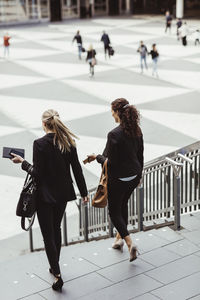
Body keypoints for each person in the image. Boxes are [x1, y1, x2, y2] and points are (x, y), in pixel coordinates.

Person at [11, 109, 88, 292]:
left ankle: (58, 274)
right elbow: (77, 169)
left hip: (45, 197)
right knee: (56, 229)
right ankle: (55, 266)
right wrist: (84, 192)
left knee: (48, 235)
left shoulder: (39, 144)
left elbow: (37, 174)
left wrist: (23, 162)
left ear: (44, 124)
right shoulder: (68, 142)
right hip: (62, 194)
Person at [86, 98, 144, 262]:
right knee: (123, 205)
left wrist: (97, 157)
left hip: (119, 179)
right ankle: (118, 239)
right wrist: (139, 176)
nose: (111, 114)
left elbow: (111, 162)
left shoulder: (114, 134)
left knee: (113, 211)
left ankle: (129, 243)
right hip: (133, 176)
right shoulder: (137, 130)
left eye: (112, 111)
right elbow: (140, 155)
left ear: (118, 112)